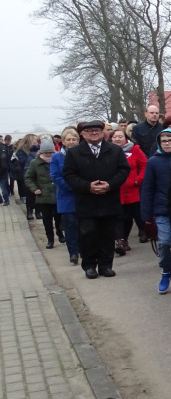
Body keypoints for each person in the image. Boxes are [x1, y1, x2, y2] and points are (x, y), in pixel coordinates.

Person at [62, 119, 130, 279]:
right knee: (88, 235)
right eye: (89, 130)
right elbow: (69, 174)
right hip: (87, 202)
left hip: (109, 200)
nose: (93, 133)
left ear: (103, 132)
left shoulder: (114, 150)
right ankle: (90, 266)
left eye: (97, 130)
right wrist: (87, 186)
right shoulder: (74, 152)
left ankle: (106, 265)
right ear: (83, 134)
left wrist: (110, 185)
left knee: (107, 235)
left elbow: (123, 170)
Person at [141, 129, 171, 295]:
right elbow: (148, 188)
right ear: (159, 143)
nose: (168, 143)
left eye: (170, 140)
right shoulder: (153, 162)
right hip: (161, 210)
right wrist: (146, 214)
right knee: (164, 243)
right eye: (164, 141)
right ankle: (165, 272)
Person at [111, 127, 148, 253]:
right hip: (116, 191)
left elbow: (144, 165)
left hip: (133, 190)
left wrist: (138, 179)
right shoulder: (108, 151)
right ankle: (120, 241)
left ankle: (127, 238)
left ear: (125, 138)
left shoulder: (135, 149)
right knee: (119, 217)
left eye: (120, 136)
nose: (117, 139)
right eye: (115, 137)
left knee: (130, 217)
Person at [51, 127, 81, 265]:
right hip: (66, 196)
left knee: (84, 225)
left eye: (73, 139)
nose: (71, 142)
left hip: (83, 195)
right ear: (63, 141)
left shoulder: (83, 155)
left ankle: (84, 250)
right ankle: (73, 252)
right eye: (68, 139)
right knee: (71, 225)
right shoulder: (57, 157)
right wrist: (72, 186)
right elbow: (55, 176)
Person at [25, 138, 62, 249]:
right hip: (43, 196)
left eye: (50, 152)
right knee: (47, 220)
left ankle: (60, 233)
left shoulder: (57, 160)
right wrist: (34, 188)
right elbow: (28, 177)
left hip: (58, 194)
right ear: (41, 152)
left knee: (59, 217)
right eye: (46, 152)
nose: (48, 155)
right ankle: (50, 240)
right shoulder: (35, 163)